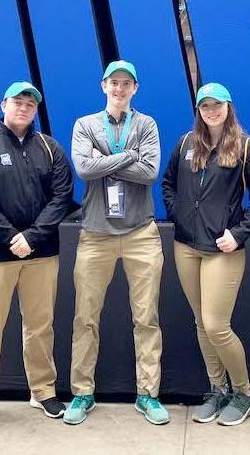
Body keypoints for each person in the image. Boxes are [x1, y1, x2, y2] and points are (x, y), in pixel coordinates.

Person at [0, 81, 74, 432]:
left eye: (30, 103)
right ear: (3, 104)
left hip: (41, 254)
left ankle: (42, 390)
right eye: (17, 102)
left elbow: (62, 197)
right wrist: (12, 238)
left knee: (40, 326)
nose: (23, 108)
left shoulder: (50, 148)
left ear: (36, 110)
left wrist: (33, 237)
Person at [65, 60, 168, 426]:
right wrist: (128, 156)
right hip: (95, 234)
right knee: (86, 318)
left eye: (127, 84)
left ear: (135, 89)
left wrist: (104, 159)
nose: (120, 89)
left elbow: (150, 173)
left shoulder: (147, 124)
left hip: (141, 233)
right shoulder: (85, 125)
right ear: (103, 86)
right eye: (114, 83)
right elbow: (84, 169)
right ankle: (82, 393)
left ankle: (147, 394)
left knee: (146, 318)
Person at [162, 83, 250, 426]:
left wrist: (237, 235)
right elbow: (167, 184)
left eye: (217, 104)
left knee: (216, 325)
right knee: (200, 323)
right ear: (198, 109)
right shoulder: (185, 143)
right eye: (205, 105)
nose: (211, 110)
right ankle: (217, 389)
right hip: (185, 247)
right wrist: (177, 213)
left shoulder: (245, 147)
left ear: (228, 106)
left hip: (222, 251)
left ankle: (244, 393)